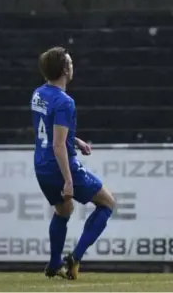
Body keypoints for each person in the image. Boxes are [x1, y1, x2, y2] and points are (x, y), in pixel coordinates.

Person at [30, 46, 116, 279]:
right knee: (107, 203)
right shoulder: (65, 102)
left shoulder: (38, 94)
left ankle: (54, 263)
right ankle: (75, 257)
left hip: (41, 165)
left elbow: (47, 130)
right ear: (66, 70)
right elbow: (58, 146)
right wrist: (68, 180)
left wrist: (75, 140)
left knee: (64, 209)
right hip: (59, 165)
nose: (72, 65)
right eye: (70, 62)